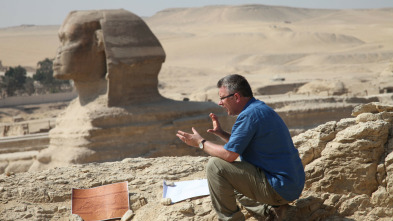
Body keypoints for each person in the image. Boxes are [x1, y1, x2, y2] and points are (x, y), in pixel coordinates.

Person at [176, 74, 305, 221]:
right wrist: (222, 134)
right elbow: (246, 145)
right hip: (290, 185)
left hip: (279, 187)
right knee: (228, 181)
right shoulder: (258, 109)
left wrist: (200, 142)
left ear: (236, 97)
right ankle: (274, 212)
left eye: (222, 98)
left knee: (215, 166)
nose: (219, 103)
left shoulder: (249, 115)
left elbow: (229, 155)